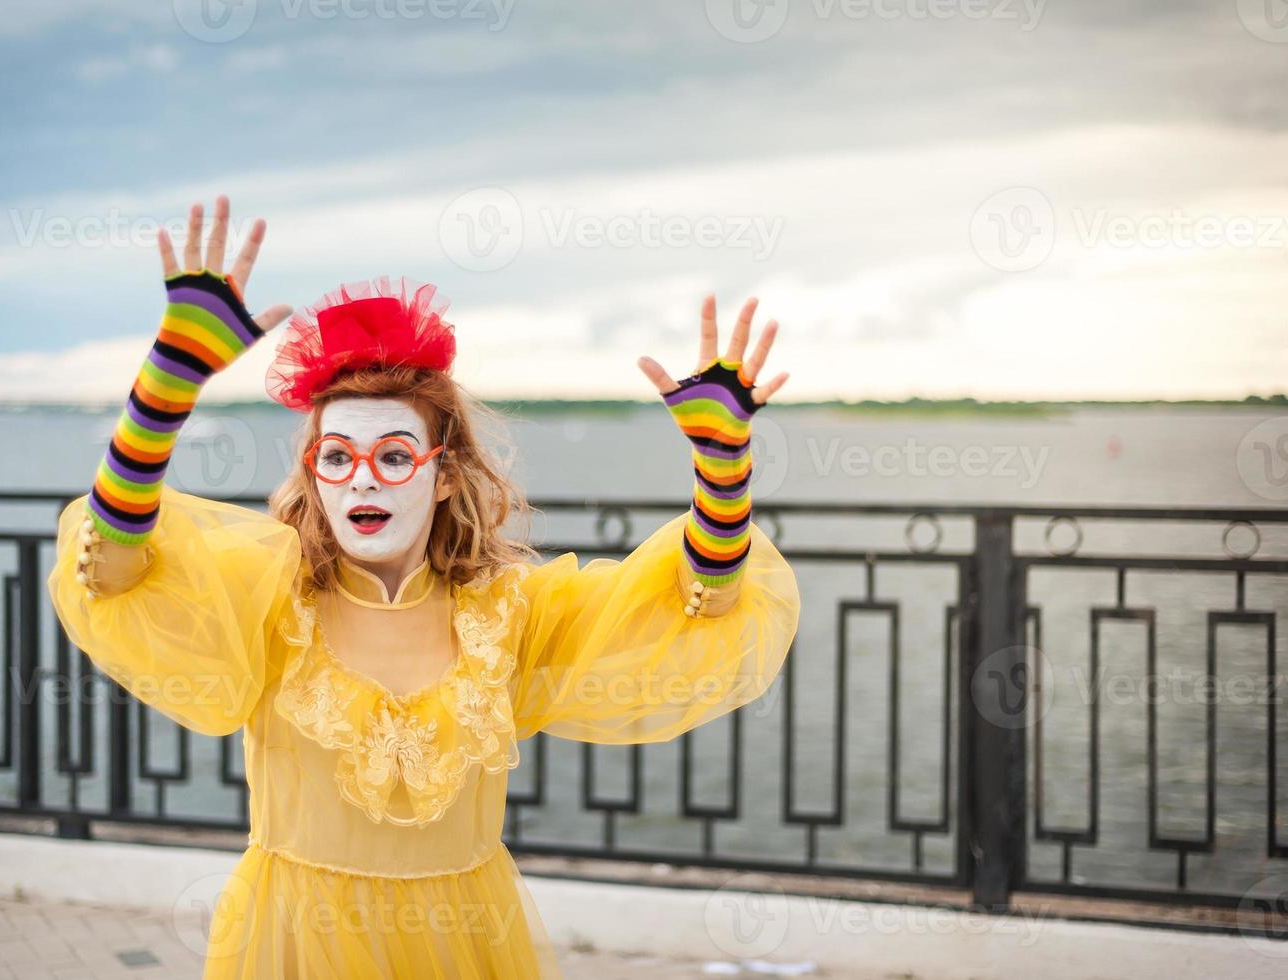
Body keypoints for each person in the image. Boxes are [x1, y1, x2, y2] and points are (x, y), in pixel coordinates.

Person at [47, 194, 801, 979]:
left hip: (463, 942)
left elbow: (700, 607)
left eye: (394, 456)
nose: (360, 479)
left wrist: (723, 471)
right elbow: (114, 568)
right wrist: (165, 387)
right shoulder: (275, 598)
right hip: (293, 944)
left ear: (442, 476)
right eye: (336, 456)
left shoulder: (508, 613)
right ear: (314, 474)